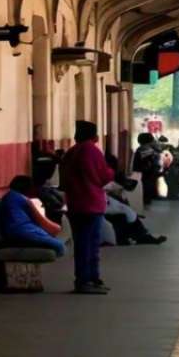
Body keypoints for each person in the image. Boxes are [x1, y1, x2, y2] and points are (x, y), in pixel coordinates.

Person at [60, 120, 115, 294]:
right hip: (91, 204)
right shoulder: (92, 150)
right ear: (95, 136)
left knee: (82, 244)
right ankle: (88, 279)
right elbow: (102, 177)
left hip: (75, 203)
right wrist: (111, 171)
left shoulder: (71, 152)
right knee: (91, 245)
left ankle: (87, 279)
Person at [0, 176, 65, 257]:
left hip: (14, 232)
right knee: (60, 246)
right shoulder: (23, 199)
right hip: (20, 233)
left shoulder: (10, 197)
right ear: (30, 189)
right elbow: (50, 227)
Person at [132, 133, 163, 204]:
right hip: (145, 170)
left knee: (150, 183)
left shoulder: (145, 148)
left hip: (146, 170)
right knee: (147, 184)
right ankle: (147, 199)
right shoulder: (144, 148)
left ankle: (151, 196)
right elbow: (149, 157)